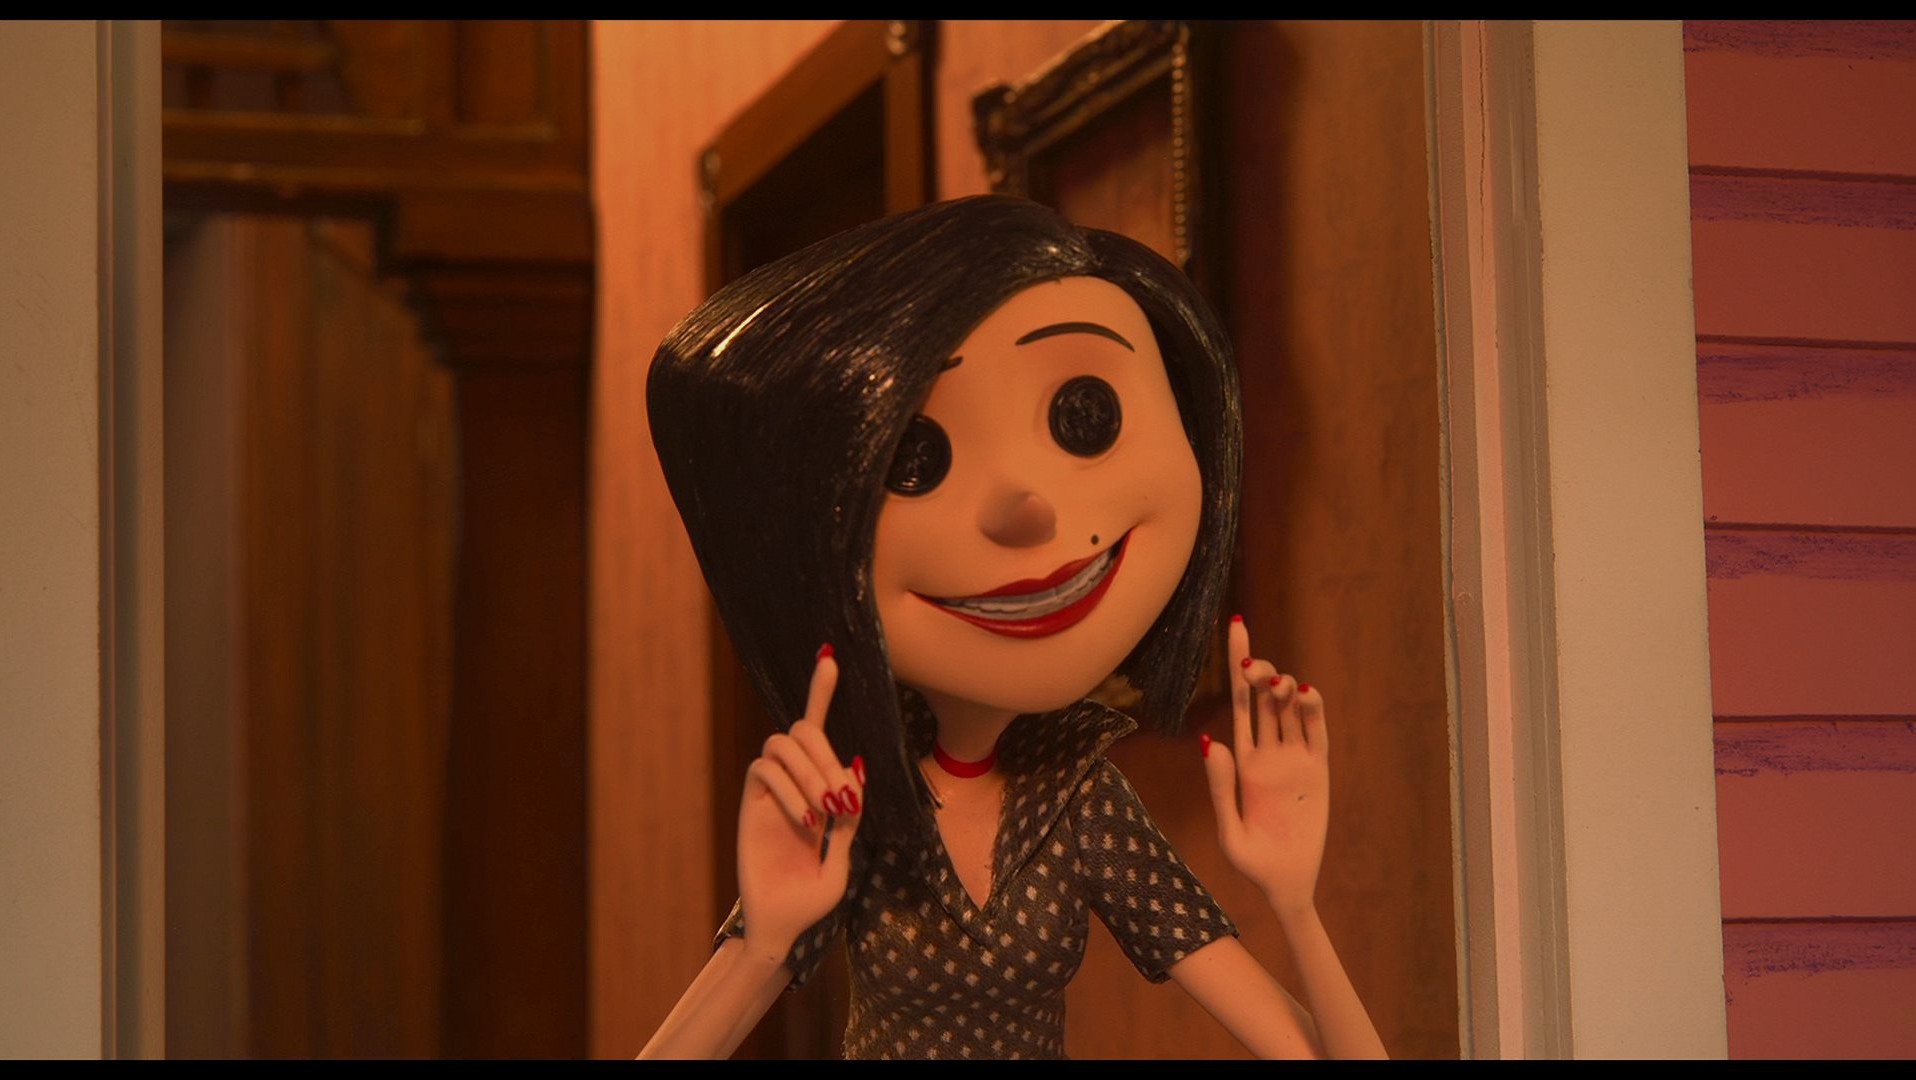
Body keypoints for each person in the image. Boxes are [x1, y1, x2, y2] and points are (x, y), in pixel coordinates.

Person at [639, 196, 1384, 1059]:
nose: (1027, 509)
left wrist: (1294, 901)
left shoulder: (1078, 800)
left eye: (1084, 417)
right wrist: (762, 946)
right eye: (917, 460)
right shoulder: (860, 802)